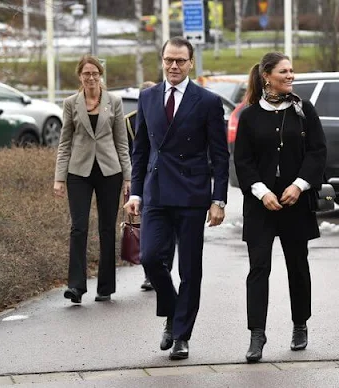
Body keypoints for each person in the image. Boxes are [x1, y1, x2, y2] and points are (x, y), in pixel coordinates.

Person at [123, 36, 229, 361]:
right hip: (156, 193)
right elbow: (140, 150)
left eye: (180, 61)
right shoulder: (147, 97)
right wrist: (136, 192)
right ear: (162, 60)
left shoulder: (208, 102)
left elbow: (220, 155)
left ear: (191, 63)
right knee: (151, 258)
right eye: (168, 59)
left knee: (190, 270)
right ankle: (171, 311)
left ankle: (182, 334)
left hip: (192, 194)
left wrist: (218, 199)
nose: (173, 66)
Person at [233, 52, 327, 363]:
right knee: (259, 268)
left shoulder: (303, 111)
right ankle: (256, 334)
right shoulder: (249, 116)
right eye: (283, 71)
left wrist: (299, 185)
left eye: (291, 71)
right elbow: (243, 162)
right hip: (261, 206)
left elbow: (318, 152)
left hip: (295, 203)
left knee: (298, 266)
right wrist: (261, 192)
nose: (290, 76)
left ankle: (300, 324)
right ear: (266, 76)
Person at [54, 54, 132, 304]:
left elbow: (122, 142)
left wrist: (129, 177)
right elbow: (65, 142)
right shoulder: (71, 103)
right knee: (78, 227)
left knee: (107, 228)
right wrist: (59, 178)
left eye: (94, 73)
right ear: (80, 76)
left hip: (110, 172)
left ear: (100, 75)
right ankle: (76, 286)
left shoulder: (114, 102)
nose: (90, 78)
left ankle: (105, 287)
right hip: (79, 172)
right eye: (86, 74)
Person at [124, 80, 174, 292]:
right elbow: (132, 151)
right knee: (148, 227)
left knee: (168, 228)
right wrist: (132, 185)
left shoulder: (169, 114)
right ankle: (150, 273)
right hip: (145, 180)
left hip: (168, 179)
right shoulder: (130, 121)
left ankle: (163, 269)